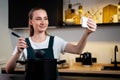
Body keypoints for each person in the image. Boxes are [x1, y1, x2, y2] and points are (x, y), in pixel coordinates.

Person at [5, 7, 97, 74]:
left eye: (45, 18)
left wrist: (87, 33)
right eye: (38, 19)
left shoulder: (56, 41)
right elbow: (8, 70)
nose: (43, 22)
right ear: (30, 22)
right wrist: (17, 52)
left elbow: (78, 50)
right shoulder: (23, 43)